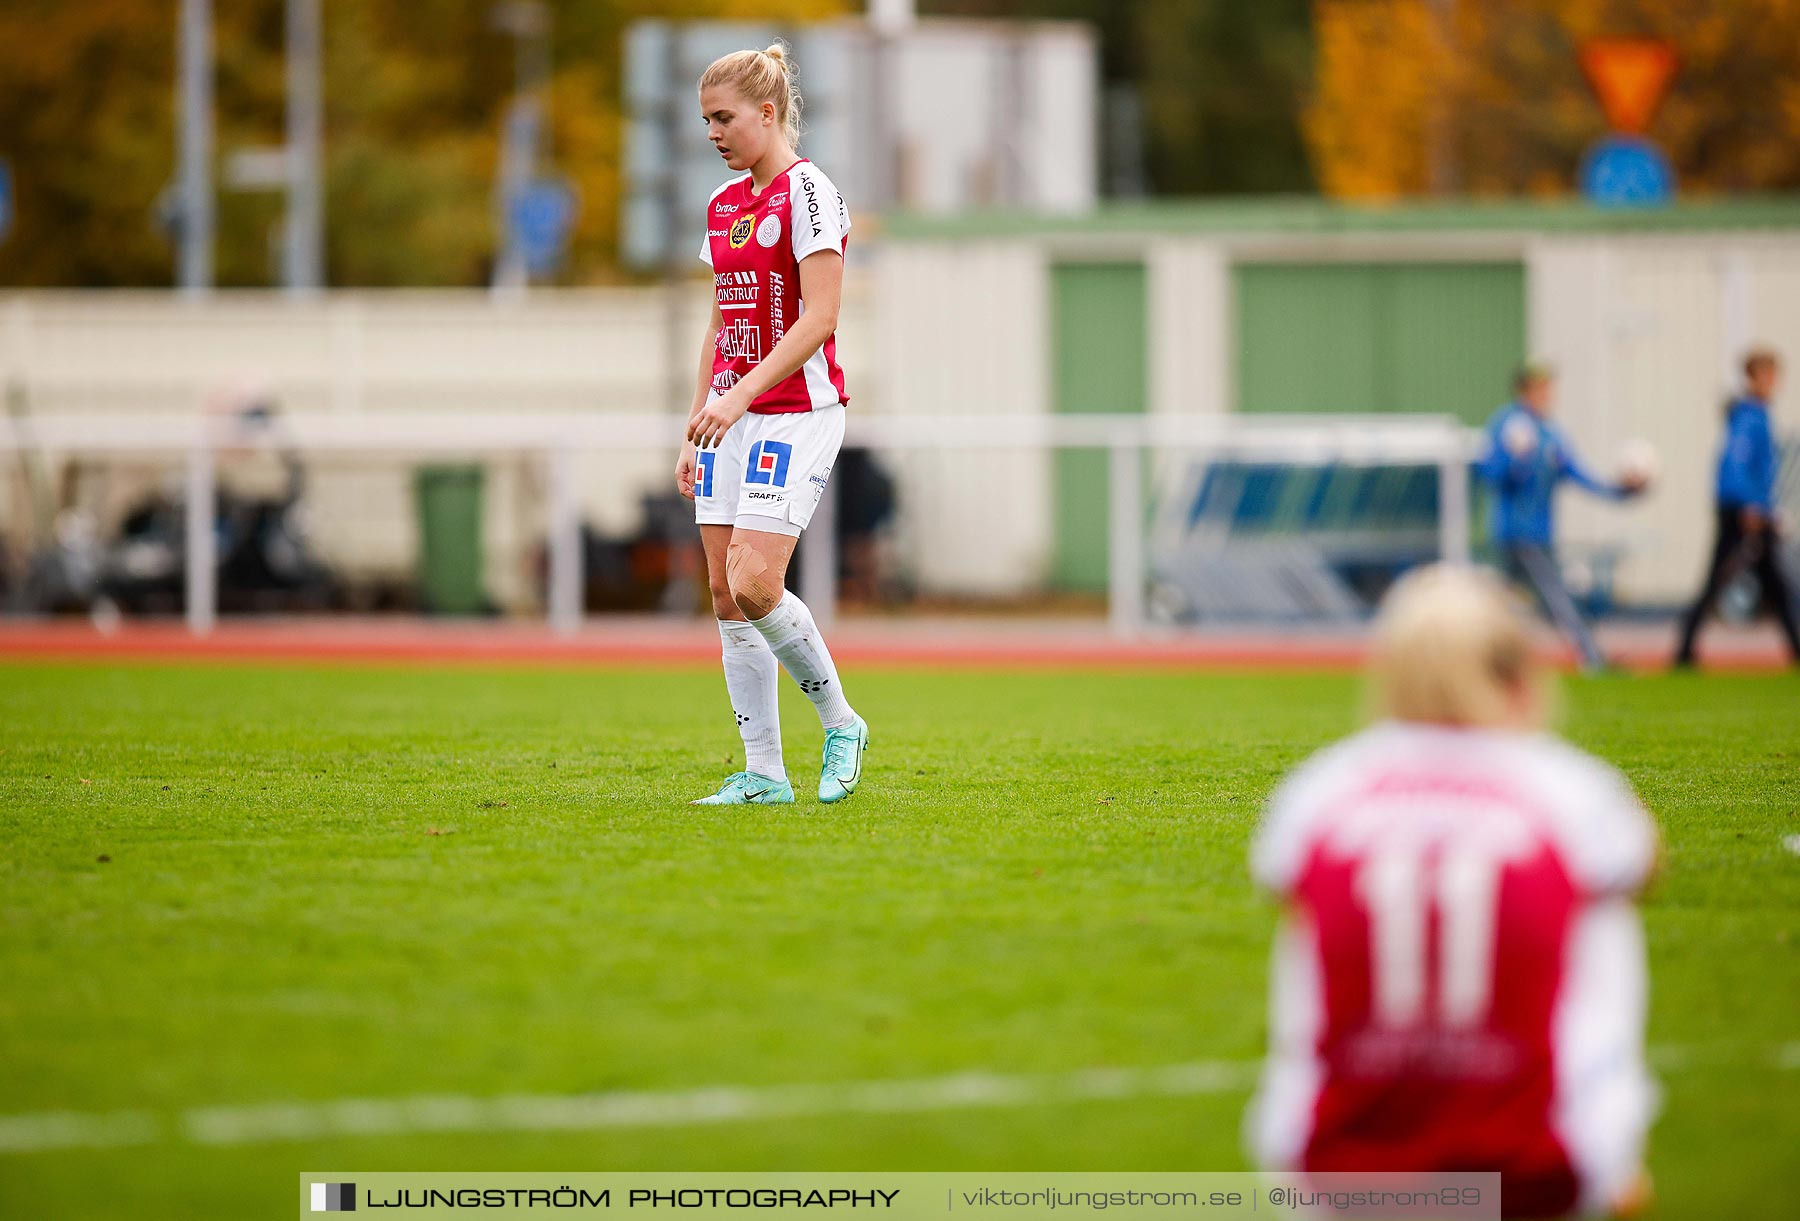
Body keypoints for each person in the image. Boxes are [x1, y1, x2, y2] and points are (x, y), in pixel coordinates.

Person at [1245, 564, 1659, 1219]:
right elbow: (1643, 862)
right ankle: (1611, 1142)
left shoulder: (1317, 792)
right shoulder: (1575, 794)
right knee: (1598, 909)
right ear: (1520, 677)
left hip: (1337, 1166)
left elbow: (1279, 880)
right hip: (1533, 1170)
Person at [675, 43, 868, 806]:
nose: (713, 134)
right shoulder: (722, 207)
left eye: (724, 118)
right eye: (704, 122)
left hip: (794, 415)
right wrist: (698, 418)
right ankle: (764, 773)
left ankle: (842, 720)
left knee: (757, 584)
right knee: (726, 596)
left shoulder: (811, 192)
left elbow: (820, 318)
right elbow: (721, 320)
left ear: (768, 111)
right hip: (730, 416)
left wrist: (739, 396)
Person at [1475, 364, 1647, 673]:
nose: (1548, 395)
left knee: (1507, 604)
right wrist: (1516, 459)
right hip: (1516, 532)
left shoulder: (1550, 433)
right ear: (1524, 389)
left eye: (1549, 388)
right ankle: (1592, 658)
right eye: (1541, 388)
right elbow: (1489, 474)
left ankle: (1483, 662)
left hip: (1539, 532)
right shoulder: (1506, 424)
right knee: (1555, 597)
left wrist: (1619, 491)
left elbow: (1577, 473)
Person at [1673, 347, 1800, 668]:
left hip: (1754, 512)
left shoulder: (1758, 413)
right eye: (1766, 374)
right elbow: (1734, 466)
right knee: (1718, 580)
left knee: (1776, 584)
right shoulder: (1749, 416)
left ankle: (1685, 651)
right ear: (1752, 377)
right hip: (1744, 514)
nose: (1772, 381)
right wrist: (1751, 508)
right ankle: (1684, 651)